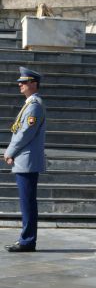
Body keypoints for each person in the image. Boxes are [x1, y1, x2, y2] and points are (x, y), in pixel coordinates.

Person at [4, 67, 46, 252]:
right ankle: (26, 239)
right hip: (24, 159)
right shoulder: (30, 104)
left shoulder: (34, 105)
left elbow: (25, 133)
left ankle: (27, 241)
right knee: (26, 201)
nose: (20, 85)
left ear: (34, 84)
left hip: (26, 160)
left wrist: (10, 151)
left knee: (27, 202)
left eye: (24, 82)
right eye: (19, 82)